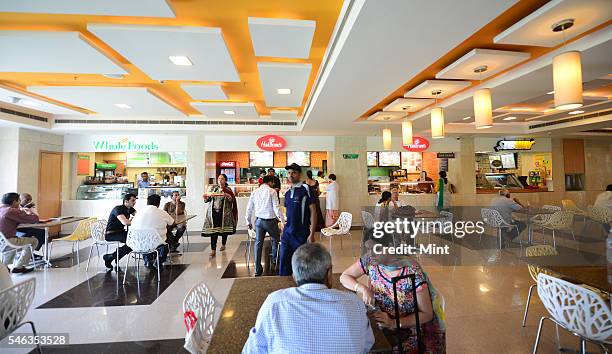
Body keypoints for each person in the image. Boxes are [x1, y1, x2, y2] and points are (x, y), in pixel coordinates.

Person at [243, 243, 375, 354]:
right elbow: (367, 344)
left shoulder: (274, 303)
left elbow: (253, 350)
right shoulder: (354, 303)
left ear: (294, 275)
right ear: (329, 274)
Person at [340, 235, 446, 353]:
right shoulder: (370, 261)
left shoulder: (411, 271)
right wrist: (362, 288)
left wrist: (394, 323)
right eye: (368, 249)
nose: (371, 254)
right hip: (380, 322)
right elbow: (344, 276)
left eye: (377, 249)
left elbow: (427, 314)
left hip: (407, 329)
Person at [279, 163, 317, 276]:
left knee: (301, 265)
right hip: (287, 234)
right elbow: (289, 212)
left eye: (294, 173)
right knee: (284, 263)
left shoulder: (306, 189)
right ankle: (284, 289)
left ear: (299, 174)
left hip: (301, 234)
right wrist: (283, 226)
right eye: (289, 173)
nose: (290, 175)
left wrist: (312, 233)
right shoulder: (287, 193)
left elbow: (313, 211)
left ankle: (301, 289)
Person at [246, 175, 285, 276]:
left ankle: (257, 269)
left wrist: (248, 221)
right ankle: (275, 260)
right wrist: (282, 221)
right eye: (273, 183)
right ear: (271, 182)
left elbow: (249, 208)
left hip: (258, 221)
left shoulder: (255, 192)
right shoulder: (272, 191)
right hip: (270, 222)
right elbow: (276, 208)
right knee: (277, 239)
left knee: (258, 244)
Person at [130, 194, 172, 270]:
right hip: (154, 243)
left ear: (147, 202)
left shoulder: (138, 213)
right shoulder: (161, 212)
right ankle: (158, 261)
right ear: (158, 203)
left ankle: (147, 260)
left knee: (146, 240)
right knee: (167, 240)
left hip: (136, 243)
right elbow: (172, 223)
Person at [0, 193, 39, 274]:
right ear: (14, 201)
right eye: (19, 201)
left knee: (19, 238)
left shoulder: (2, 209)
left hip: (2, 241)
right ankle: (19, 266)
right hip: (8, 241)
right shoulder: (11, 211)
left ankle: (5, 266)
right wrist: (31, 212)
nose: (20, 203)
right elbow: (34, 219)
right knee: (34, 241)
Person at [202, 174, 237, 257]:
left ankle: (223, 244)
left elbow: (232, 200)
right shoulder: (213, 189)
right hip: (213, 213)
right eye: (219, 178)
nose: (220, 180)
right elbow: (207, 200)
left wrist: (228, 195)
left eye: (222, 179)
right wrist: (205, 197)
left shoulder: (228, 189)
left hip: (224, 214)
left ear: (225, 180)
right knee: (214, 232)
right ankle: (213, 250)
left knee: (224, 231)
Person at [102, 193, 137, 270]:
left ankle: (111, 256)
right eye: (133, 200)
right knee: (133, 241)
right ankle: (112, 256)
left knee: (136, 239)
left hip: (121, 232)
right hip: (111, 234)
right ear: (126, 201)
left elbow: (139, 216)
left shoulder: (130, 209)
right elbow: (125, 222)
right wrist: (133, 221)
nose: (134, 202)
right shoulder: (118, 209)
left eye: (135, 200)